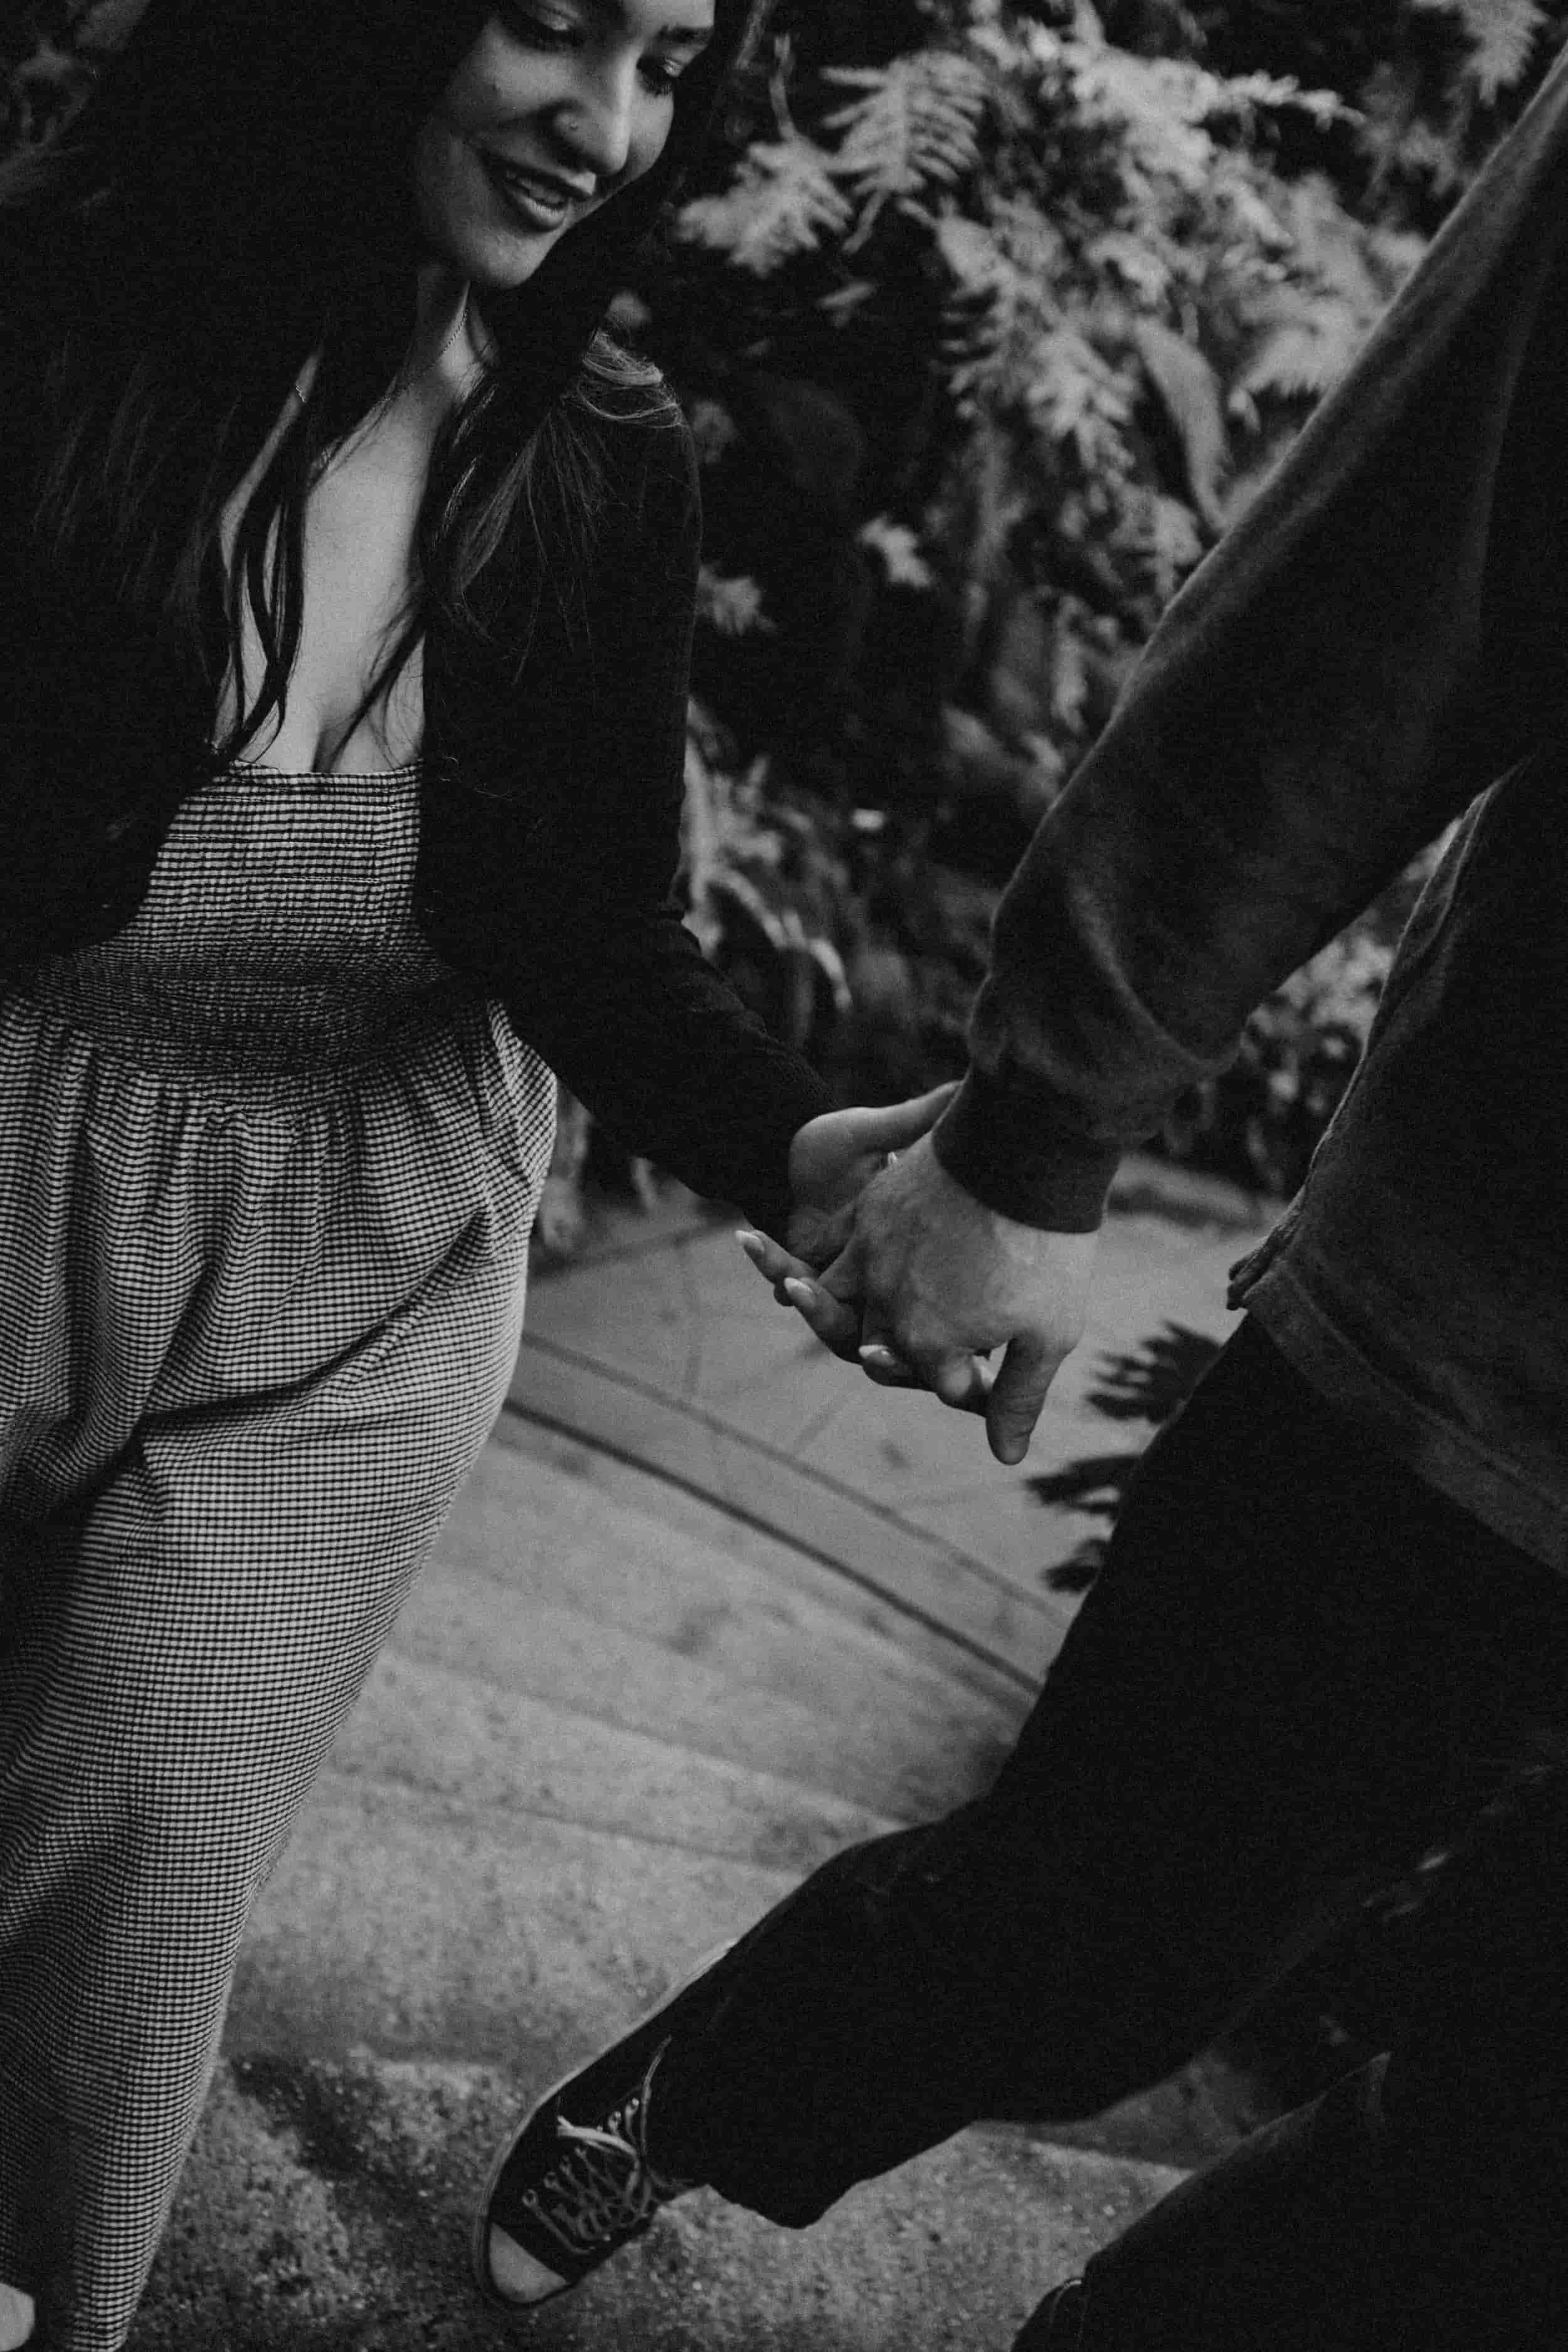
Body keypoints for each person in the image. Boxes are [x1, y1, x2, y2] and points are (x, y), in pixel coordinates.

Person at [473, 31, 1568, 2350]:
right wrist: (1038, 1122)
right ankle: (727, 2078)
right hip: (1477, 1366)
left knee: (1506, 2177)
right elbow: (1393, 581)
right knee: (1094, 1959)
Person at [0, 4, 956, 2344]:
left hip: (362, 1244)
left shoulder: (595, 453)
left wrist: (808, 1144)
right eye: (552, 22)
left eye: (658, 60)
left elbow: (589, 936)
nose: (602, 126)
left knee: (132, 1866)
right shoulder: (49, 325)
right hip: (27, 1131)